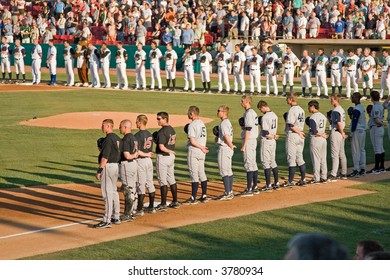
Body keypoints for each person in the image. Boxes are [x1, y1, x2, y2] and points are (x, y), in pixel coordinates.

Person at [94, 119, 121, 229]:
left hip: (108, 167)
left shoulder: (108, 139)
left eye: (103, 125)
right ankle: (116, 216)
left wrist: (100, 170)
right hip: (115, 167)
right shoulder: (117, 138)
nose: (102, 127)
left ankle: (107, 220)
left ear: (108, 126)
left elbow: (105, 157)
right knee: (114, 192)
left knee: (107, 194)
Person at [183, 106, 209, 204]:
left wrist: (200, 147)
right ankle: (204, 195)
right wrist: (202, 147)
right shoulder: (202, 123)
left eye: (188, 113)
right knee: (202, 173)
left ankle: (193, 197)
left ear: (192, 114)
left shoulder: (192, 125)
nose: (187, 114)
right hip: (202, 152)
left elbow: (192, 141)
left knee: (194, 174)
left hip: (194, 150)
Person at [155, 112, 179, 211]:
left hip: (163, 157)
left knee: (162, 180)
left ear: (165, 119)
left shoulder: (162, 132)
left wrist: (169, 150)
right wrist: (171, 152)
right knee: (171, 179)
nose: (158, 120)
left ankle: (163, 203)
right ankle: (175, 201)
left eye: (159, 118)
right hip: (170, 158)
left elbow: (161, 147)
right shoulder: (172, 129)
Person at [282, 93, 307, 187]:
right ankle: (303, 179)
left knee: (291, 159)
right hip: (300, 136)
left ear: (290, 99)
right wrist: (300, 133)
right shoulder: (301, 109)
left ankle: (290, 181)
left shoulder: (292, 110)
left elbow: (291, 125)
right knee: (299, 157)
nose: (286, 100)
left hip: (293, 135)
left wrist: (298, 132)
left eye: (287, 99)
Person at [134, 114, 156, 214]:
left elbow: (137, 151)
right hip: (149, 161)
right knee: (150, 182)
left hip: (141, 161)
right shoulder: (150, 134)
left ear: (140, 122)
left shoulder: (137, 135)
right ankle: (151, 207)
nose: (136, 123)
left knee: (141, 184)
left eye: (137, 121)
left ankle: (139, 209)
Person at [119, 119, 139, 222]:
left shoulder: (126, 138)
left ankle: (127, 214)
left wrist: (131, 156)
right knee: (133, 188)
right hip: (134, 164)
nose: (119, 128)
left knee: (127, 189)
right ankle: (133, 211)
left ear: (125, 127)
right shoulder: (134, 137)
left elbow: (127, 155)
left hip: (127, 165)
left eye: (121, 127)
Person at [257, 100, 280, 191]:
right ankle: (276, 182)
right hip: (273, 141)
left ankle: (268, 185)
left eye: (260, 109)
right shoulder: (274, 115)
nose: (261, 111)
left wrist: (273, 136)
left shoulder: (265, 117)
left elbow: (265, 132)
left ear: (263, 107)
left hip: (266, 141)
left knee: (265, 162)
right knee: (272, 161)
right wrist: (274, 136)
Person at [239, 96, 259, 195]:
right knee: (253, 163)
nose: (240, 103)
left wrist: (244, 145)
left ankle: (249, 189)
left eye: (242, 101)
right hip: (253, 140)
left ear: (246, 102)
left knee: (248, 164)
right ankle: (255, 186)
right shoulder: (253, 112)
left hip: (249, 140)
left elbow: (248, 130)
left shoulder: (248, 114)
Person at [216, 105, 235, 200]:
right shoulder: (227, 122)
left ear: (224, 112)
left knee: (223, 171)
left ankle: (227, 193)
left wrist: (230, 145)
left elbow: (226, 136)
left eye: (219, 110)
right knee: (228, 170)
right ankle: (230, 191)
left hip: (224, 148)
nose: (217, 112)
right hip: (228, 149)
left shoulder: (223, 123)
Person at [307, 100, 328, 184]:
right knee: (323, 159)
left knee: (316, 159)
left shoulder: (312, 117)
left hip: (316, 139)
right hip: (323, 140)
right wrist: (323, 135)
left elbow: (314, 131)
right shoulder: (323, 116)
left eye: (309, 106)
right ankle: (324, 176)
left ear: (313, 107)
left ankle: (317, 178)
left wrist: (321, 134)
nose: (308, 108)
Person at [328, 95, 347, 181]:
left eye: (332, 99)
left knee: (335, 154)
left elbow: (338, 123)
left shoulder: (336, 111)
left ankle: (333, 173)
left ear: (336, 100)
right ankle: (344, 173)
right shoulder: (341, 109)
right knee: (341, 154)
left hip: (337, 132)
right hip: (340, 132)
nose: (330, 101)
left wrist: (342, 132)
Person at [348, 92, 366, 178]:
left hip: (357, 131)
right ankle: (362, 168)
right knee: (362, 150)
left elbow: (354, 123)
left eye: (352, 97)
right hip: (362, 131)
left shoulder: (357, 109)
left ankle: (356, 169)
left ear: (356, 98)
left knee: (356, 151)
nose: (351, 98)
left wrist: (351, 134)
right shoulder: (361, 107)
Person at [367, 91, 385, 174]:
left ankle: (377, 168)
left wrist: (382, 123)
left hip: (376, 129)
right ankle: (382, 167)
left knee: (377, 148)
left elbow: (377, 119)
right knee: (380, 148)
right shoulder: (380, 105)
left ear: (372, 98)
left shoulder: (376, 107)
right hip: (379, 129)